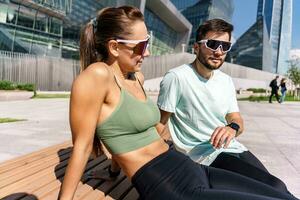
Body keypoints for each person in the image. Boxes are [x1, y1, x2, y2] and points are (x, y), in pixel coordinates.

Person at [58, 7, 298, 200]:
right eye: (141, 46)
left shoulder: (135, 77)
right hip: (170, 185)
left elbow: (131, 131)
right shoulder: (97, 75)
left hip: (188, 167)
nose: (148, 52)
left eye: (148, 42)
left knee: (279, 189)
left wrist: (112, 170)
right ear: (114, 47)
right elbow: (82, 145)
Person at [157, 19, 290, 192]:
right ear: (196, 47)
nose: (219, 52)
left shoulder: (226, 80)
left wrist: (232, 128)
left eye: (225, 46)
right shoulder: (176, 77)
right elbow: (159, 124)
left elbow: (236, 119)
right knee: (273, 189)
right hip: (204, 157)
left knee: (279, 187)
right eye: (212, 44)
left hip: (233, 148)